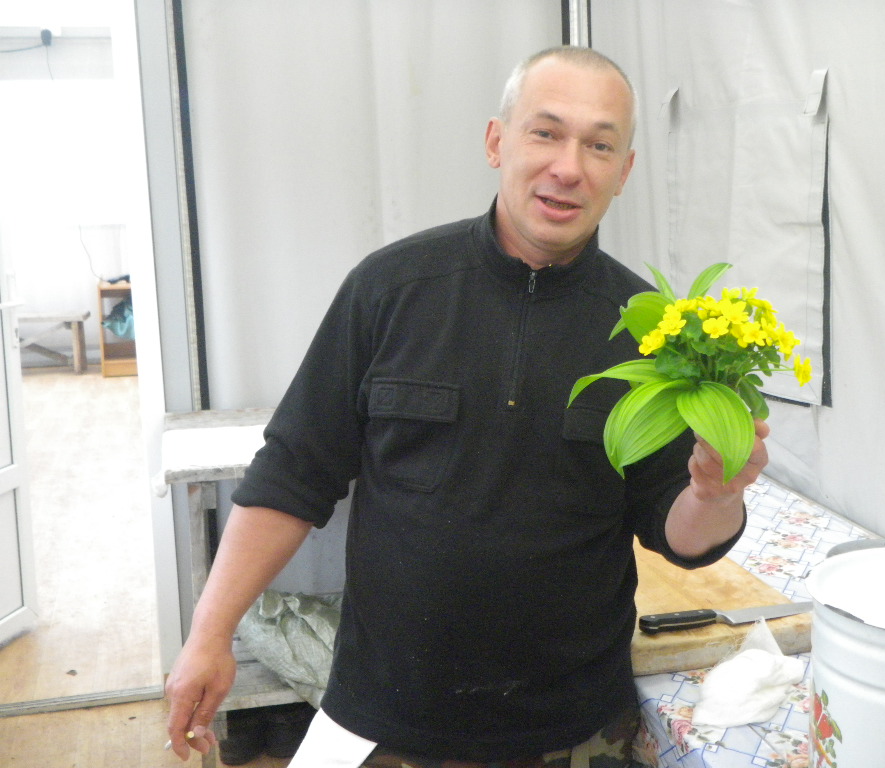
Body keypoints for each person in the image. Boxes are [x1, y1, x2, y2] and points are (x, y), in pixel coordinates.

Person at [165, 45, 769, 766]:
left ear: (624, 170)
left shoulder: (651, 334)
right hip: (388, 714)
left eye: (599, 145)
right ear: (496, 142)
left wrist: (716, 493)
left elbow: (680, 534)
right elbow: (293, 473)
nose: (569, 167)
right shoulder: (390, 290)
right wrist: (209, 634)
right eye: (545, 132)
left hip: (571, 728)